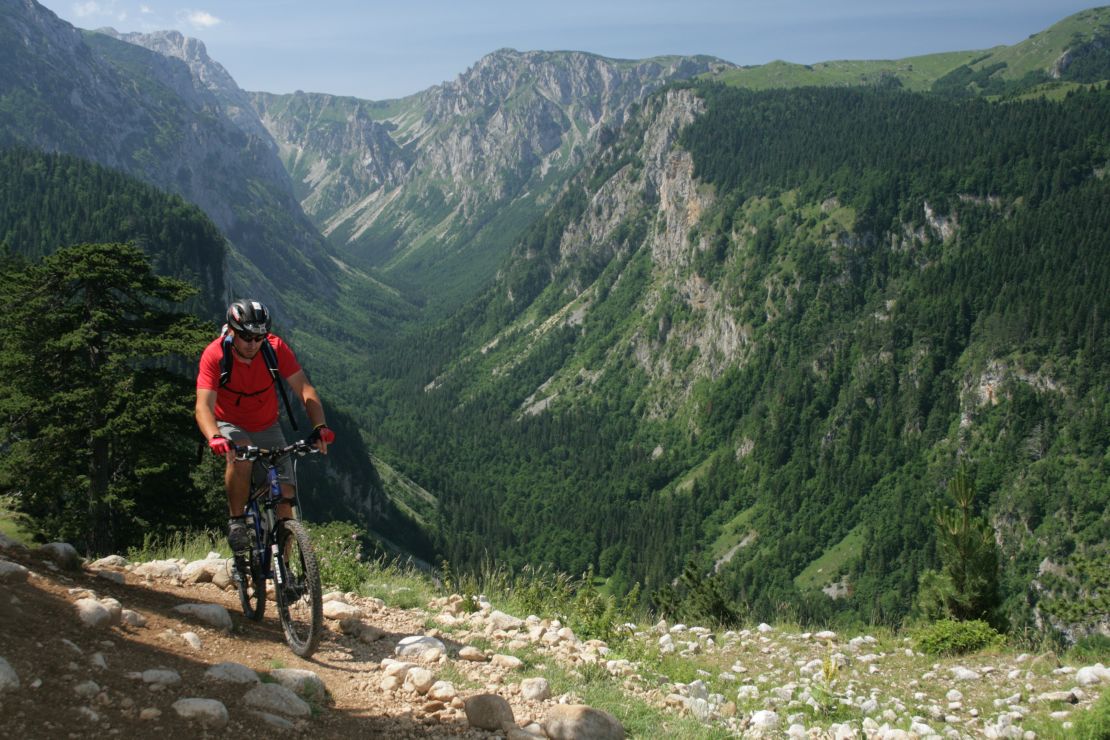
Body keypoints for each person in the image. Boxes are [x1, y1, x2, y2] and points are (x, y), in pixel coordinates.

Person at [195, 299, 335, 552]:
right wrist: (214, 436)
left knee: (285, 499)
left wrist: (320, 426)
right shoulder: (215, 354)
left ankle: (287, 574)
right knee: (242, 453)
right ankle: (237, 521)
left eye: (259, 337)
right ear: (232, 331)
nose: (253, 344)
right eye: (246, 337)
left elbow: (305, 389)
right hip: (229, 423)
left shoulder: (274, 348)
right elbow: (203, 406)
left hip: (268, 425)